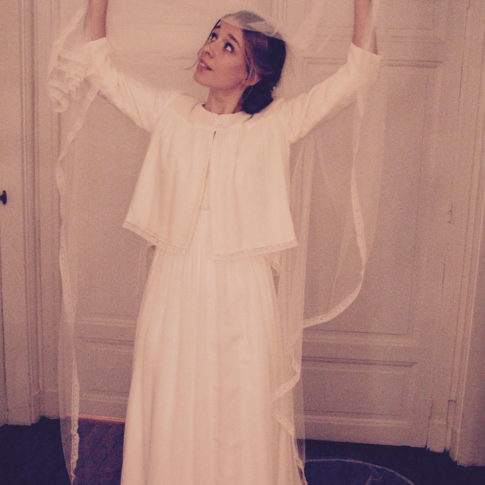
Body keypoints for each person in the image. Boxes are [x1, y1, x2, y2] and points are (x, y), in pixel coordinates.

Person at [58, 1, 381, 483]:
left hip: (243, 291)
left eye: (228, 46)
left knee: (240, 400)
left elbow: (359, 73)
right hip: (173, 284)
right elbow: (97, 65)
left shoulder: (277, 123)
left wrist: (365, 5)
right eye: (213, 36)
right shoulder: (169, 113)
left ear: (252, 73)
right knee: (170, 392)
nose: (208, 48)